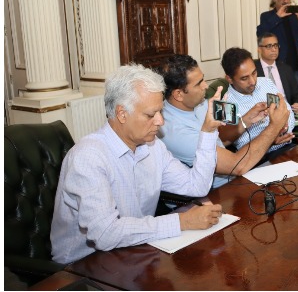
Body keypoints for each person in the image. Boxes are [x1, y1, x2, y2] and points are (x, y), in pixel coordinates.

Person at [51, 64, 224, 264]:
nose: (160, 121)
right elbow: (105, 234)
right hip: (83, 266)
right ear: (122, 114)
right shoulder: (88, 157)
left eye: (161, 112)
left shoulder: (153, 147)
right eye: (151, 115)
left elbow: (196, 186)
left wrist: (209, 131)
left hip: (133, 251)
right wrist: (181, 221)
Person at [158, 55, 292, 188]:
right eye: (199, 83)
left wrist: (246, 121)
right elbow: (237, 166)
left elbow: (221, 139)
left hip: (234, 178)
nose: (206, 86)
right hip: (215, 192)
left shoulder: (200, 103)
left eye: (203, 79)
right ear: (178, 94)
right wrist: (274, 127)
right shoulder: (176, 133)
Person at [222, 47, 297, 160]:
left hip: (287, 147)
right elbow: (241, 142)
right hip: (258, 160)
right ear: (229, 79)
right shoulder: (227, 105)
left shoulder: (266, 83)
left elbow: (287, 111)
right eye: (244, 78)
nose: (252, 81)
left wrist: (283, 130)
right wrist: (271, 138)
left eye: (254, 73)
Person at [257, 0, 298, 101]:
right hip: (278, 67)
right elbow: (260, 34)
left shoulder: (294, 16)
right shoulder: (267, 16)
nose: (286, 1)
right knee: (279, 100)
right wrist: (277, 17)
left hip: (296, 68)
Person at [254, 33, 298, 115]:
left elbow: (297, 95)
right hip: (263, 116)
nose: (274, 49)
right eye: (269, 46)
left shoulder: (286, 69)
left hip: (287, 114)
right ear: (259, 49)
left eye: (276, 45)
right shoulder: (253, 70)